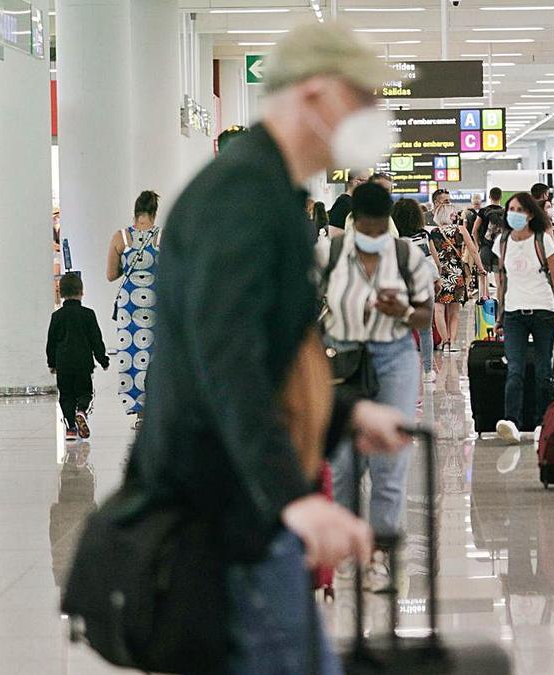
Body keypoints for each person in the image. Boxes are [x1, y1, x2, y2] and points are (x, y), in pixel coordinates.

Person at [127, 22, 410, 673]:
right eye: (362, 99)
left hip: (249, 506)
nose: (371, 117)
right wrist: (295, 495)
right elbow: (225, 363)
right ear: (316, 95)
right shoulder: (240, 196)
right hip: (230, 518)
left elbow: (269, 355)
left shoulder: (269, 190)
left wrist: (344, 415)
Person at [318, 182, 434, 592]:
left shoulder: (407, 256)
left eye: (378, 226)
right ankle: (349, 548)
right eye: (365, 227)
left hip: (395, 356)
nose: (372, 235)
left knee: (390, 456)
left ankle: (380, 554)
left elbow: (425, 315)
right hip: (341, 359)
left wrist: (402, 310)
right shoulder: (329, 255)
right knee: (344, 461)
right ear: (354, 222)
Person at [492, 192, 554, 444]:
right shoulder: (502, 242)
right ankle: (511, 422)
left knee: (543, 370)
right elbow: (501, 280)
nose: (513, 213)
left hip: (543, 311)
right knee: (514, 368)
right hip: (514, 313)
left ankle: (541, 422)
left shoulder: (542, 240)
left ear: (529, 214)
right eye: (510, 209)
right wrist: (500, 315)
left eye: (519, 209)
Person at [105, 189, 162, 428]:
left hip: (129, 308)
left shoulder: (121, 238)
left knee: (132, 357)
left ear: (135, 212)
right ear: (154, 213)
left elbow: (110, 275)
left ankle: (139, 412)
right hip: (155, 304)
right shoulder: (161, 237)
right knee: (154, 356)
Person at [46, 272, 109, 442]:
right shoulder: (88, 314)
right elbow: (96, 339)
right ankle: (81, 411)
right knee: (84, 391)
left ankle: (71, 429)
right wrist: (103, 359)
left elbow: (51, 342)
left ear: (61, 293)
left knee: (66, 395)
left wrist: (52, 363)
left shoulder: (56, 316)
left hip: (63, 363)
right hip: (83, 362)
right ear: (82, 291)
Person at [394, 198, 442, 383]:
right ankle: (428, 371)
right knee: (425, 331)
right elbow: (432, 260)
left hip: (402, 286)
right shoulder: (423, 235)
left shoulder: (394, 238)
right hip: (424, 285)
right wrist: (437, 280)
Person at [431, 201, 484, 351]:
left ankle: (444, 341)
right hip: (456, 274)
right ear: (450, 215)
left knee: (439, 310)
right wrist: (481, 268)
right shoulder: (460, 230)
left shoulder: (433, 232)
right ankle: (452, 343)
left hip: (439, 274)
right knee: (454, 311)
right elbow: (473, 250)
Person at [473, 187, 507, 272]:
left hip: (485, 246)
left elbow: (474, 230)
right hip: (500, 246)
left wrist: (478, 245)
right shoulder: (505, 212)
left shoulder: (483, 211)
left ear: (489, 197)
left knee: (483, 274)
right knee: (498, 273)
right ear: (501, 197)